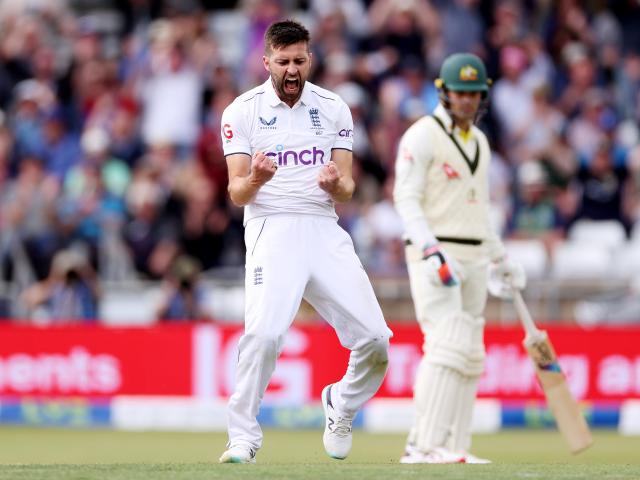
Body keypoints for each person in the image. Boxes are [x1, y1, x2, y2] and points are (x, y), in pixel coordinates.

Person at [218, 20, 392, 464]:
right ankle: (242, 439)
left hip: (322, 224)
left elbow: (349, 188)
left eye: (299, 61)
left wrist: (336, 186)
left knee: (375, 338)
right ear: (266, 62)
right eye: (283, 62)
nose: (292, 70)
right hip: (271, 225)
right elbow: (236, 193)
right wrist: (256, 178)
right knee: (263, 334)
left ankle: (342, 403)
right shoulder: (242, 110)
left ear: (309, 59)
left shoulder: (334, 107)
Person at [393, 53, 525, 464]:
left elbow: (480, 210)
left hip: (474, 254)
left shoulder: (481, 142)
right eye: (459, 92)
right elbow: (405, 198)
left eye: (473, 93)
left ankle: (455, 446)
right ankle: (422, 444)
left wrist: (501, 259)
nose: (466, 101)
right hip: (436, 252)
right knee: (446, 345)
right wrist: (430, 248)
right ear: (443, 91)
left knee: (469, 353)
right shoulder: (422, 135)